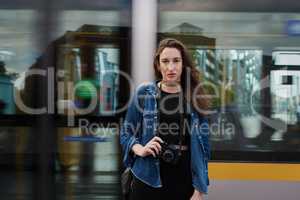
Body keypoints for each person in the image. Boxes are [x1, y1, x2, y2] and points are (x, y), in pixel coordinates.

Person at [120, 38, 211, 200]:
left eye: (176, 61)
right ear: (158, 65)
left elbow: (204, 149)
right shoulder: (144, 93)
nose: (171, 67)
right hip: (147, 178)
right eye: (165, 61)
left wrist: (199, 189)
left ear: (183, 64)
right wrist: (139, 148)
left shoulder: (195, 96)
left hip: (184, 179)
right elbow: (126, 133)